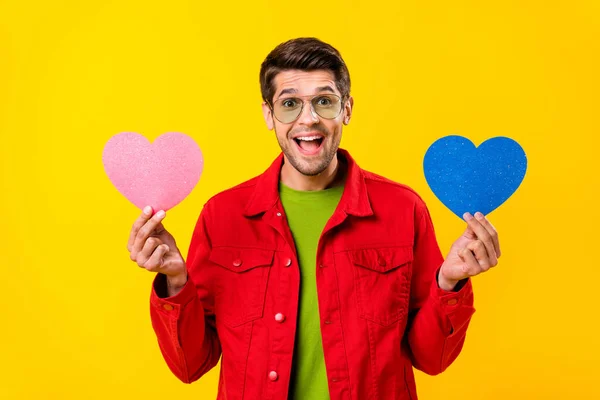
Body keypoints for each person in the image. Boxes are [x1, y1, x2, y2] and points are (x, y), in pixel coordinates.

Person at [127, 37, 501, 400]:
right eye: (289, 104)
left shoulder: (403, 209)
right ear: (268, 115)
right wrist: (175, 282)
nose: (309, 119)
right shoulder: (222, 216)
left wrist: (450, 282)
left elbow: (430, 359)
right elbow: (191, 364)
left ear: (347, 109)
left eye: (324, 101)